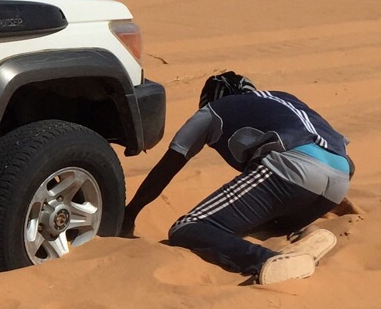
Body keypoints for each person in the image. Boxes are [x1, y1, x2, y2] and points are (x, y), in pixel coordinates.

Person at [121, 71, 352, 284]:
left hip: (291, 166)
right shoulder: (284, 100)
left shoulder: (212, 111)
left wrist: (130, 214)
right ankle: (306, 234)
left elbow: (167, 168)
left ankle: (265, 260)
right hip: (339, 179)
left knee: (188, 227)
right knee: (252, 228)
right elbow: (345, 157)